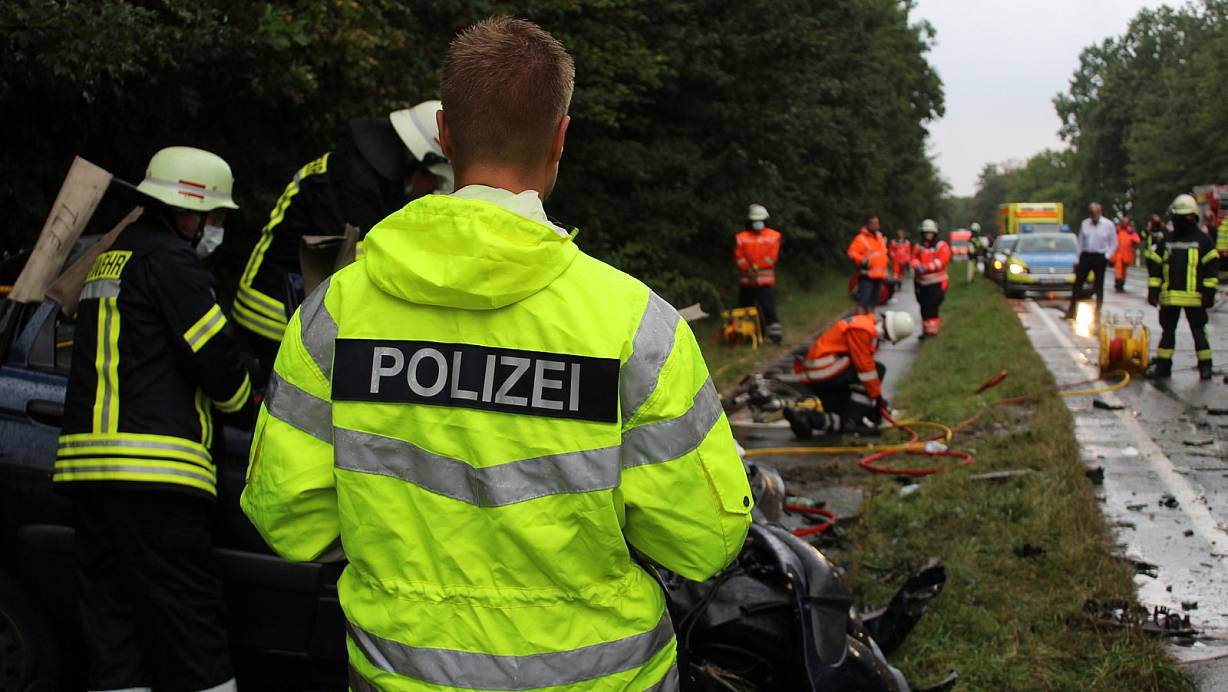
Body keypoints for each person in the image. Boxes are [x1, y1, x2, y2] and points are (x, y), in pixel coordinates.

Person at [240, 17, 752, 691]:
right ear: (561, 136)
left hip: (400, 674)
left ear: (445, 135)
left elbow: (286, 514)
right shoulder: (638, 329)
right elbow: (703, 537)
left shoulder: (333, 317)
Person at [54, 147, 253, 691]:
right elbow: (216, 363)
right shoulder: (172, 262)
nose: (214, 228)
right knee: (192, 633)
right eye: (212, 217)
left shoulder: (108, 257)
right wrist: (248, 404)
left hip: (89, 480)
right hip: (156, 480)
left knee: (113, 635)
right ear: (184, 212)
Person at [233, 101, 453, 383]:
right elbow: (352, 267)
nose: (431, 190)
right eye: (433, 181)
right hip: (274, 322)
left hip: (281, 312)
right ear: (417, 162)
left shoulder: (359, 176)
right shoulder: (353, 185)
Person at [782, 311, 915, 438]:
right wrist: (877, 397)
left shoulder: (865, 324)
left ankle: (806, 418)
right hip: (824, 370)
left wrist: (873, 406)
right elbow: (865, 368)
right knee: (877, 370)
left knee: (841, 416)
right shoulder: (863, 330)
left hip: (825, 371)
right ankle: (852, 422)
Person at [1145, 194, 1220, 380]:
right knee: (1171, 334)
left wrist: (1208, 293)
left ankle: (1204, 366)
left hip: (1193, 298)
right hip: (1174, 298)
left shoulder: (1201, 241)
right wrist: (1153, 290)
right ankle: (1166, 366)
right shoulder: (1175, 240)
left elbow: (1212, 269)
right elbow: (1155, 264)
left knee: (1194, 333)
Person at [734, 203, 783, 343]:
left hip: (765, 281)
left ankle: (774, 335)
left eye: (759, 220)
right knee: (746, 307)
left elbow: (772, 257)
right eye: (755, 221)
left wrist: (757, 266)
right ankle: (747, 334)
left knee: (768, 307)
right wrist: (747, 267)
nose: (757, 223)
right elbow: (739, 256)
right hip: (746, 281)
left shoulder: (774, 236)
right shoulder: (741, 237)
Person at [1064, 202, 1118, 322]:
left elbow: (1114, 243)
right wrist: (1077, 259)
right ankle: (1071, 311)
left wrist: (1107, 256)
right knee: (1078, 284)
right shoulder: (1085, 224)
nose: (1093, 216)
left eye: (1095, 213)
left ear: (1100, 212)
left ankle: (1097, 314)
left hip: (1099, 256)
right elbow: (1080, 243)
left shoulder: (1108, 225)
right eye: (1091, 213)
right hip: (1086, 256)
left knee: (1098, 286)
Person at [912, 219, 952, 338]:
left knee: (932, 307)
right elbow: (913, 257)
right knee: (923, 307)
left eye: (930, 233)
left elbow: (941, 262)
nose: (927, 235)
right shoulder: (919, 246)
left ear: (935, 233)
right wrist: (916, 265)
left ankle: (932, 332)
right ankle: (925, 331)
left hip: (936, 283)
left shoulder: (941, 246)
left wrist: (925, 267)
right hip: (920, 283)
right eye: (925, 233)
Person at [848, 215, 889, 312]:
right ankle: (860, 323)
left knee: (873, 302)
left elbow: (883, 254)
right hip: (867, 276)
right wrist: (862, 260)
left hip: (879, 276)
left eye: (877, 223)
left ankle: (870, 323)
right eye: (874, 223)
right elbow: (851, 252)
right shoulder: (861, 238)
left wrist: (886, 268)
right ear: (868, 224)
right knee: (863, 302)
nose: (876, 225)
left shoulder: (879, 237)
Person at [1112, 216, 1141, 291]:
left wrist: (1132, 240)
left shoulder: (1130, 231)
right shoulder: (1117, 230)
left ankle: (1121, 282)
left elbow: (1137, 240)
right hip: (1118, 253)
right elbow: (1110, 238)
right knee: (1118, 269)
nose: (1124, 224)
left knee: (1124, 271)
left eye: (1126, 222)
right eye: (1123, 222)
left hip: (1127, 254)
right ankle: (1118, 282)